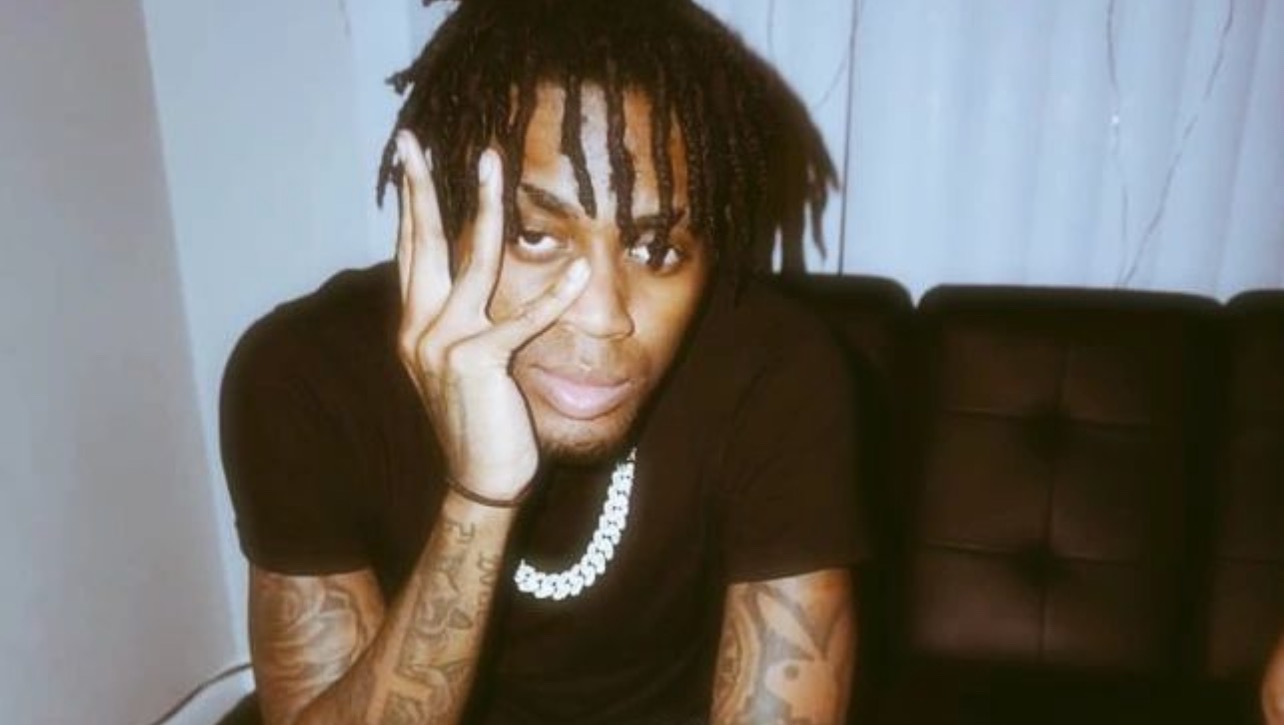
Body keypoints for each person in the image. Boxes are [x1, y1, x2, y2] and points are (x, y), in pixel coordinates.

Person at [219, 0, 867, 722]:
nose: (603, 313)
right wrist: (480, 498)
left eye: (656, 249)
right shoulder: (306, 379)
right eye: (535, 236)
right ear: (442, 212)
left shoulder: (777, 373)